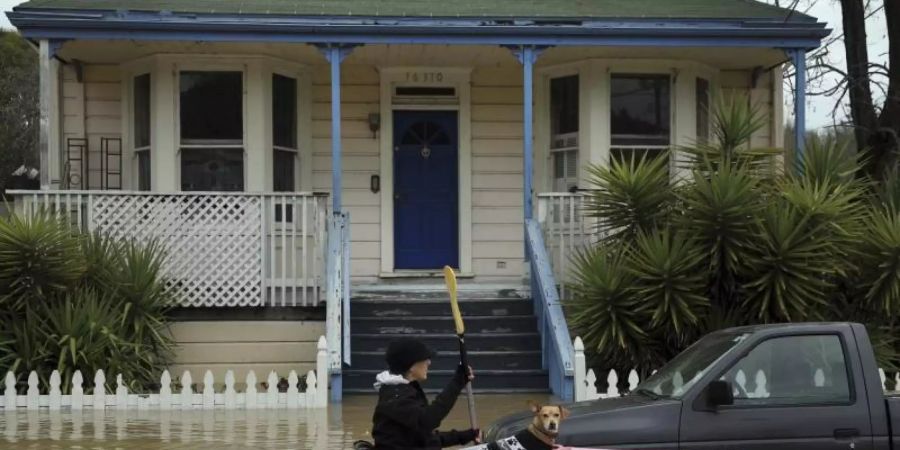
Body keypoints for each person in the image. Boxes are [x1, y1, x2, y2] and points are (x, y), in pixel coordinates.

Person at [369, 338, 481, 450]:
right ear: (411, 366)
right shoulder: (396, 396)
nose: (429, 362)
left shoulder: (403, 390)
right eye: (425, 359)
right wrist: (458, 382)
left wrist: (465, 436)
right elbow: (427, 421)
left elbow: (425, 437)